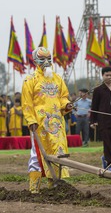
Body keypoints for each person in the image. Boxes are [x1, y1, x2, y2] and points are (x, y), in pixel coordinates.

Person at [22, 47, 73, 194]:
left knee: (58, 152)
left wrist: (67, 104)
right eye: (42, 59)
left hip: (57, 123)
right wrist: (31, 120)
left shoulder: (57, 78)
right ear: (35, 61)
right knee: (37, 154)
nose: (46, 62)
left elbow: (63, 97)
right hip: (39, 124)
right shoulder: (30, 80)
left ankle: (54, 185)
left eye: (48, 59)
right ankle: (34, 188)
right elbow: (27, 103)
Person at [90, 67, 111, 171]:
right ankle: (110, 164)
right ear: (102, 76)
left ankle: (105, 157)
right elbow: (94, 106)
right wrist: (93, 121)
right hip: (103, 121)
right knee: (107, 143)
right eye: (107, 75)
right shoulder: (98, 90)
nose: (109, 77)